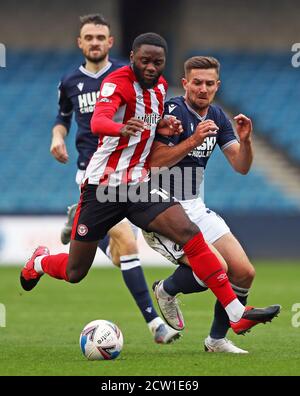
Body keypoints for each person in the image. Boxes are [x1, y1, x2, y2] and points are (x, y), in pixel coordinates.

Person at [21, 33, 280, 340]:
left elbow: (150, 124)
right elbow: (99, 122)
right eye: (144, 61)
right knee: (76, 272)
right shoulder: (116, 83)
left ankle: (236, 315)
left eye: (157, 62)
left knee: (189, 233)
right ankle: (38, 261)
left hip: (138, 185)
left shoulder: (158, 89)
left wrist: (163, 127)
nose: (151, 67)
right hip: (103, 186)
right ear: (132, 57)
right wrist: (121, 128)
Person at [49, 15, 178, 344]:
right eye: (88, 37)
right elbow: (63, 118)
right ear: (80, 42)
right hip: (93, 172)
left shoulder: (130, 75)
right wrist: (57, 137)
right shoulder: (69, 82)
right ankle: (155, 326)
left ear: (110, 43)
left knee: (123, 257)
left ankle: (76, 218)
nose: (94, 42)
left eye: (100, 37)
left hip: (129, 173)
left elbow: (152, 113)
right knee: (128, 244)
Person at [143, 55, 269, 352]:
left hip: (195, 206)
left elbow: (241, 166)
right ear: (185, 83)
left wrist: (247, 141)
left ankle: (216, 340)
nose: (203, 88)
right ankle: (167, 289)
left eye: (209, 83)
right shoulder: (171, 111)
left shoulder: (218, 116)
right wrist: (192, 140)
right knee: (218, 267)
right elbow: (154, 163)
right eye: (197, 82)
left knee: (244, 272)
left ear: (217, 86)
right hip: (161, 210)